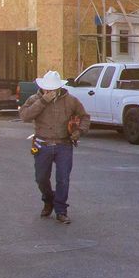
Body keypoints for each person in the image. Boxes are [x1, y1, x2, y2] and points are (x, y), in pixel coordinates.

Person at [18, 70, 90, 224]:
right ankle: (48, 199)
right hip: (42, 144)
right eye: (47, 88)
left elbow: (85, 117)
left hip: (64, 144)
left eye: (53, 89)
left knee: (63, 179)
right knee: (41, 178)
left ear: (59, 88)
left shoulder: (71, 101)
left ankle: (61, 210)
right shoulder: (34, 99)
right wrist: (43, 101)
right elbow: (25, 116)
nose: (49, 91)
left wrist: (79, 131)